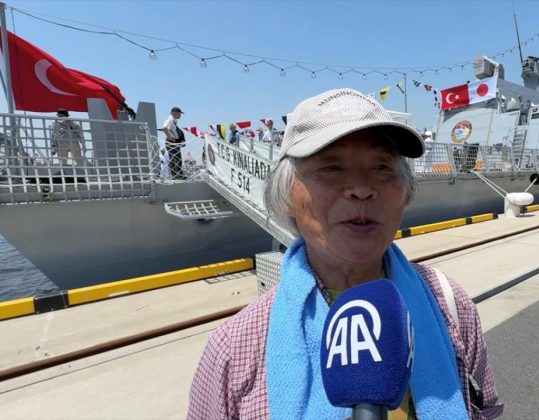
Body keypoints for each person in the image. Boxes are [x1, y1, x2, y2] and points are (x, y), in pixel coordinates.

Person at [187, 88, 503, 419]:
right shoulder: (234, 350)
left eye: (381, 166)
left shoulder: (451, 306)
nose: (362, 189)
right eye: (331, 167)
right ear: (286, 196)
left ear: (405, 192)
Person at [161, 106, 186, 180]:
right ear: (174, 113)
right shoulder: (170, 119)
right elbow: (164, 128)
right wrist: (170, 138)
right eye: (179, 113)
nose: (180, 115)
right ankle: (177, 176)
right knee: (176, 159)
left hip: (173, 142)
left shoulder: (174, 120)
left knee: (176, 159)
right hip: (171, 142)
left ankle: (176, 175)